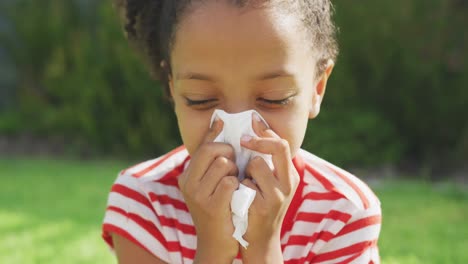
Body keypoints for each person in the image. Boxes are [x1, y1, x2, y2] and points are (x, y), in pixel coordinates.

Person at [102, 0, 382, 263]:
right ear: (173, 90)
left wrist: (263, 248)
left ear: (316, 89)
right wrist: (213, 249)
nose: (238, 129)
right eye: (201, 99)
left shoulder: (345, 213)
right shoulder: (143, 204)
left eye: (275, 98)